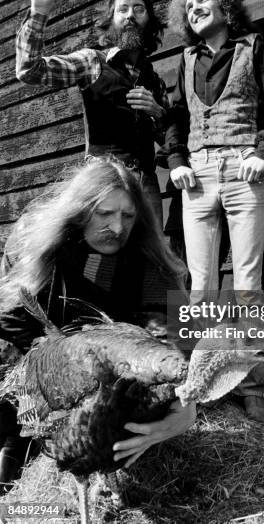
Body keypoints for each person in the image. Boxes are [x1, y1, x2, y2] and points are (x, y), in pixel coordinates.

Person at [0, 157, 195, 488]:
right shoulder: (38, 248)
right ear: (80, 212)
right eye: (105, 214)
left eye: (128, 216)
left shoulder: (149, 266)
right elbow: (10, 329)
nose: (118, 228)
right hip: (43, 372)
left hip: (112, 383)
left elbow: (174, 342)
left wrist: (186, 407)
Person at [164, 0, 264, 422]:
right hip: (196, 177)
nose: (195, 9)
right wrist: (176, 161)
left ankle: (255, 384)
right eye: (189, 5)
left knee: (248, 285)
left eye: (204, 1)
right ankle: (204, 384)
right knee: (200, 288)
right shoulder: (186, 59)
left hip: (244, 171)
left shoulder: (253, 48)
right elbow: (174, 116)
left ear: (226, 5)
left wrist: (263, 149)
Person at [16, 0, 168, 223]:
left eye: (139, 9)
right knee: (100, 259)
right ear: (111, 20)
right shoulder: (92, 61)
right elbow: (30, 70)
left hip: (146, 186)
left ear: (149, 21)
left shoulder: (154, 79)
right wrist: (39, 8)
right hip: (103, 179)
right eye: (123, 9)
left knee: (147, 263)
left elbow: (172, 141)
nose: (131, 15)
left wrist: (157, 112)